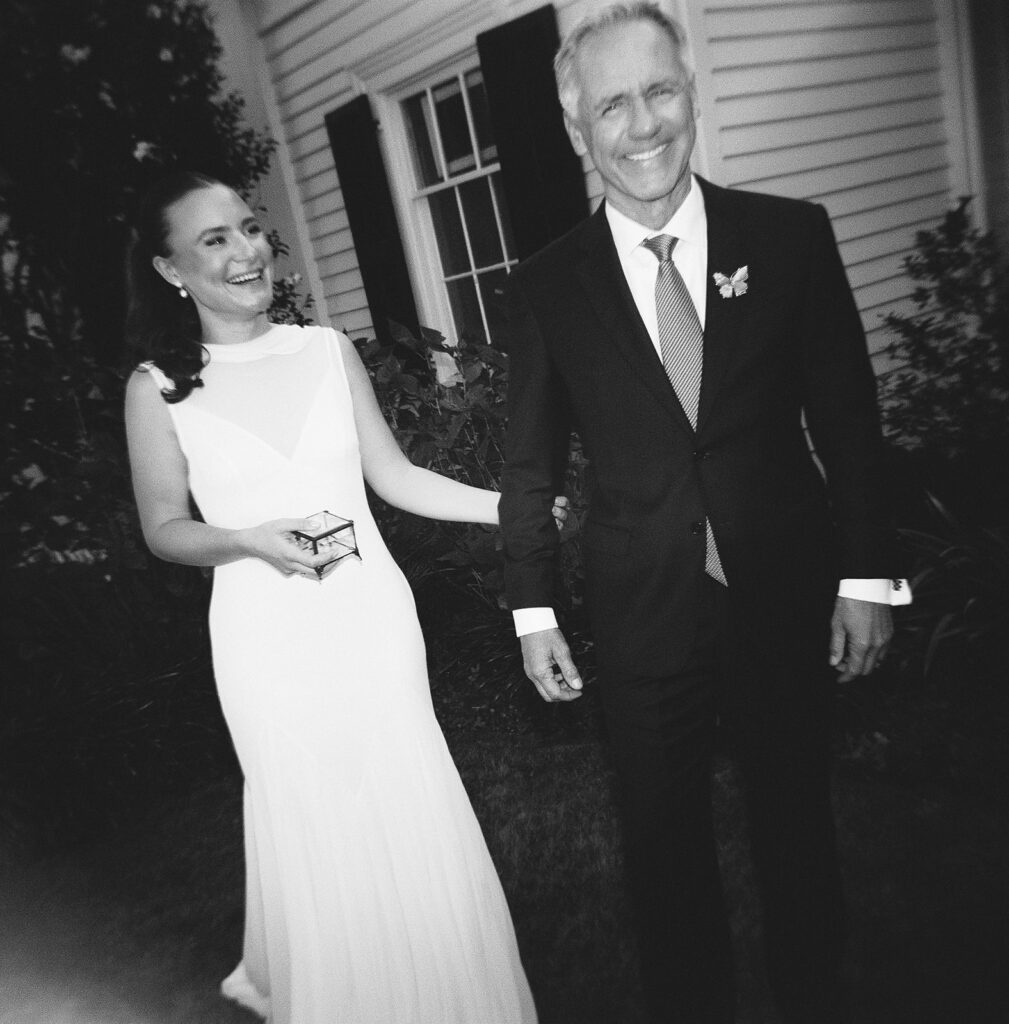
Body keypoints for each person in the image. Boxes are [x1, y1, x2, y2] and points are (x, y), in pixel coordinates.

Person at [498, 5, 909, 1023]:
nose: (642, 125)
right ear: (576, 130)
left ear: (691, 91)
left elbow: (849, 420)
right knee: (660, 848)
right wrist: (532, 609)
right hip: (642, 611)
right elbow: (528, 459)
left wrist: (865, 575)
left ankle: (813, 993)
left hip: (782, 586)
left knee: (794, 824)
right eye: (611, 106)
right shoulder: (549, 284)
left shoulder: (790, 235)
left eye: (659, 91)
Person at [123, 170, 554, 1024]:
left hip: (370, 623)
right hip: (264, 641)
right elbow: (164, 528)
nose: (246, 251)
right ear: (171, 270)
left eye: (249, 228)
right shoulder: (158, 388)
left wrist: (517, 508)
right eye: (215, 240)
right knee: (315, 819)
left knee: (406, 800)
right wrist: (246, 538)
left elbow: (393, 478)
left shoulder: (325, 350)